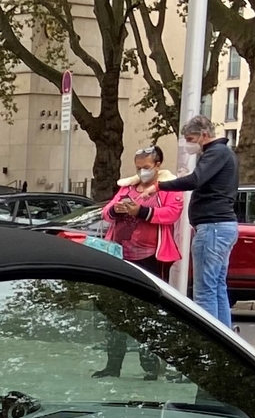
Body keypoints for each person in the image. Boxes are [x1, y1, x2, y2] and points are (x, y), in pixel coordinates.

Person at [156, 113, 237, 324]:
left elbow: (195, 179)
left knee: (205, 290)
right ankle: (226, 336)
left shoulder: (215, 153)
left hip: (212, 227)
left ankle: (210, 340)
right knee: (218, 286)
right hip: (222, 226)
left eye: (191, 140)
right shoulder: (224, 153)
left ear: (203, 135)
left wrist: (160, 186)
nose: (189, 146)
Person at [101, 145, 180, 280]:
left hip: (151, 257)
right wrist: (115, 209)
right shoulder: (127, 187)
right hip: (120, 254)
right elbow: (106, 213)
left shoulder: (168, 187)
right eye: (138, 168)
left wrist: (141, 211)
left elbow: (173, 213)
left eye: (146, 168)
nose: (142, 172)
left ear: (157, 165)